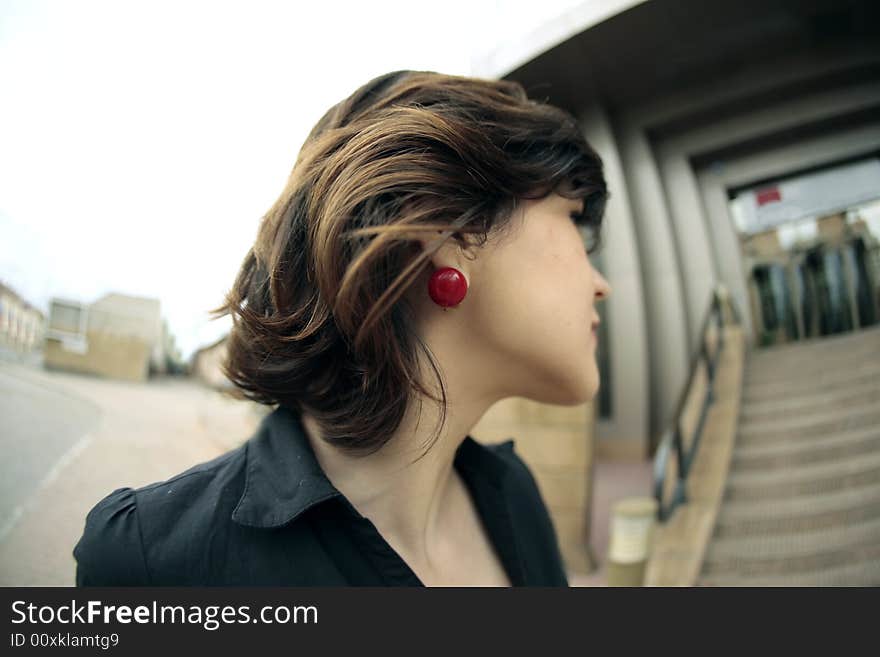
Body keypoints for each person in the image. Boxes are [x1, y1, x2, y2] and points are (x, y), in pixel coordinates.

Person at [73, 69, 611, 586]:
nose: (602, 283)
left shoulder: (515, 496)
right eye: (573, 221)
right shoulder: (156, 566)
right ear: (449, 233)